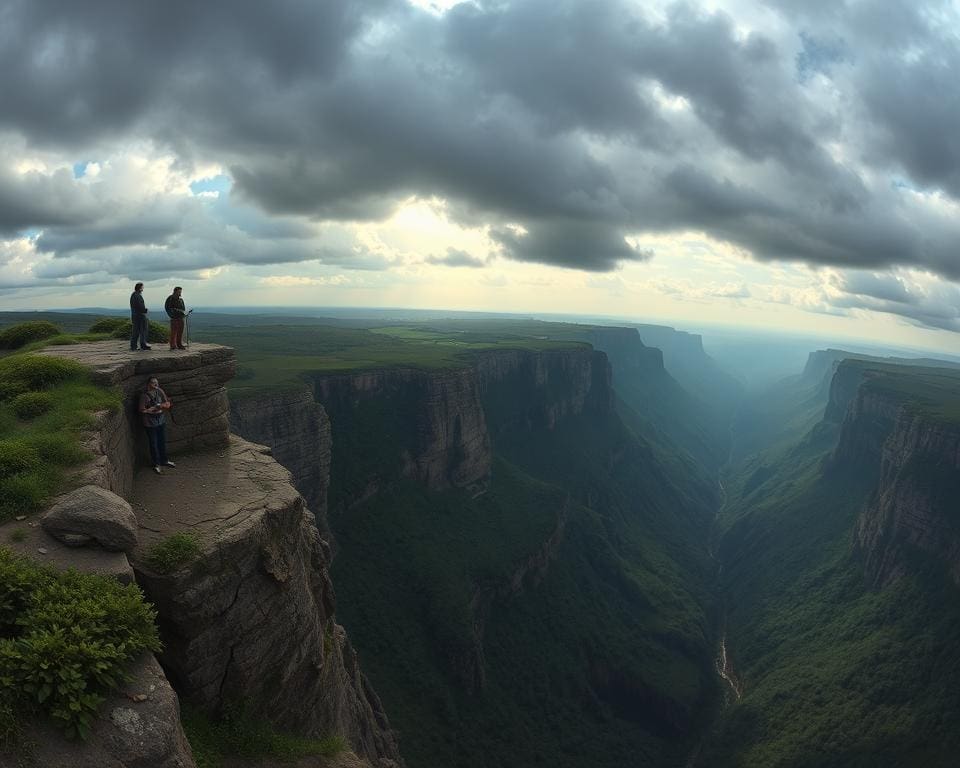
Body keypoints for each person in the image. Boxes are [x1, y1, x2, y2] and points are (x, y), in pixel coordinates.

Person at [139, 377, 176, 474]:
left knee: (162, 441)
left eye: (157, 383)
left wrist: (163, 405)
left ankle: (164, 460)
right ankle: (156, 464)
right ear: (148, 384)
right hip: (150, 424)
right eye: (154, 383)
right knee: (154, 444)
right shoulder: (144, 396)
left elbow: (167, 403)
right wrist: (154, 408)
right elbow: (142, 410)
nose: (156, 385)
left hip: (160, 421)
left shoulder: (159, 392)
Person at [129, 282, 151, 351]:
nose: (143, 289)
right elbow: (140, 306)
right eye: (142, 287)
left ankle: (133, 346)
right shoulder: (137, 295)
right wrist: (145, 310)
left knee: (135, 331)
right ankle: (143, 345)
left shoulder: (133, 295)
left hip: (134, 315)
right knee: (143, 330)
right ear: (140, 288)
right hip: (140, 315)